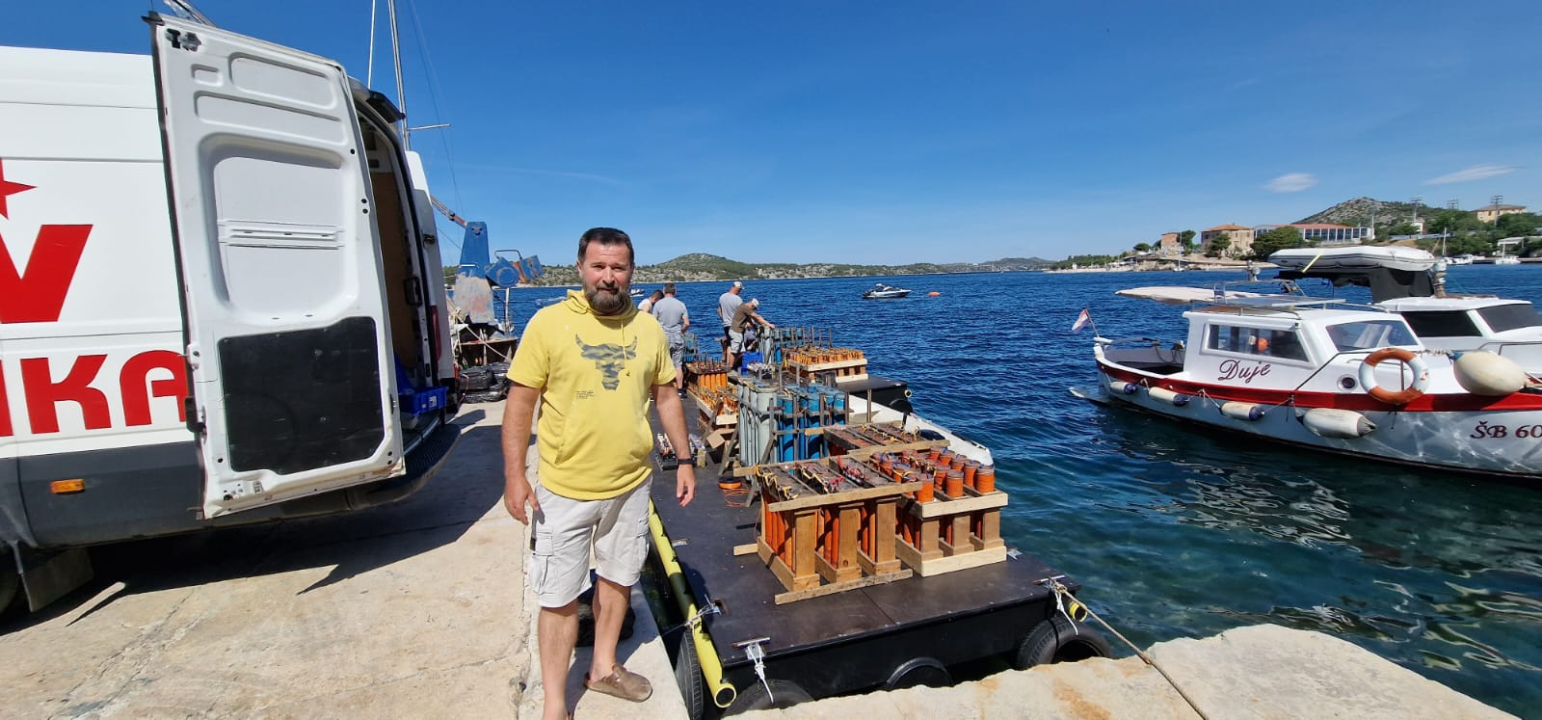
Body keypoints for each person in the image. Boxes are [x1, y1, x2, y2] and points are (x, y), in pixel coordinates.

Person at [502, 227, 696, 720]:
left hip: (631, 485)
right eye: (599, 266)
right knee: (559, 597)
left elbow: (667, 396)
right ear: (581, 268)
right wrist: (514, 476)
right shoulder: (548, 324)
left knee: (618, 578)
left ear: (632, 272)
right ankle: (554, 703)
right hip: (564, 489)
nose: (609, 277)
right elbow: (520, 404)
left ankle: (603, 668)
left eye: (619, 268)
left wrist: (685, 459)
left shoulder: (648, 327)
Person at [651, 282, 690, 392]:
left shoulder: (658, 304)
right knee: (678, 365)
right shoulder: (681, 304)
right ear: (675, 292)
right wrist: (681, 331)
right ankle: (680, 390)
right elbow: (687, 323)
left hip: (663, 337)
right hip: (677, 336)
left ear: (664, 291)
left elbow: (653, 322)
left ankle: (663, 389)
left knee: (661, 364)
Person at [728, 297, 775, 370]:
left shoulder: (743, 306)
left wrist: (754, 326)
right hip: (736, 331)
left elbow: (749, 319)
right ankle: (730, 367)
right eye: (754, 309)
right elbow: (757, 317)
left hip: (736, 331)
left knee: (740, 351)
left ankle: (731, 366)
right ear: (752, 306)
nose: (754, 310)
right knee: (735, 351)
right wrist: (769, 324)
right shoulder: (746, 308)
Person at [716, 280, 744, 360]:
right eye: (740, 290)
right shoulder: (738, 299)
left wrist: (724, 319)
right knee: (738, 348)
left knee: (729, 345)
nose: (740, 292)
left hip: (726, 325)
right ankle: (731, 365)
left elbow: (719, 311)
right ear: (738, 289)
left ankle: (728, 363)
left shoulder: (722, 297)